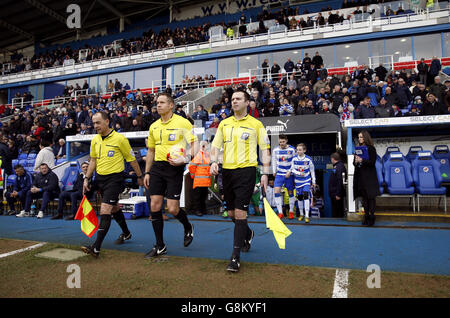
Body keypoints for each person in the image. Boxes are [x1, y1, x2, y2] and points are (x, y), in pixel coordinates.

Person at [210, 90, 271, 273]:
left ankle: (235, 257)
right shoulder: (224, 123)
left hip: (247, 172)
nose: (234, 101)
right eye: (232, 99)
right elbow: (215, 146)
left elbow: (265, 150)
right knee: (230, 214)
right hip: (227, 172)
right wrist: (213, 161)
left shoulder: (256, 124)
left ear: (247, 102)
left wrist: (266, 173)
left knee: (240, 213)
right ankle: (248, 233)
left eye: (238, 99)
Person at [81, 111, 144, 258]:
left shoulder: (120, 139)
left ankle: (96, 248)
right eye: (93, 123)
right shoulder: (95, 140)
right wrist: (87, 178)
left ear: (107, 121)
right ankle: (127, 233)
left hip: (115, 179)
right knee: (114, 207)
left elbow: (131, 159)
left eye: (98, 122)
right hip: (100, 178)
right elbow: (93, 161)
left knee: (105, 209)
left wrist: (140, 176)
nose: (95, 126)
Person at [143, 92, 198, 258]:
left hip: (174, 168)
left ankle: (187, 226)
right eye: (157, 103)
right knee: (154, 206)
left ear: (171, 105)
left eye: (161, 102)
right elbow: (151, 151)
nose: (158, 105)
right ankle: (160, 246)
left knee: (173, 208)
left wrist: (186, 158)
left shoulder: (183, 123)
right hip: (157, 168)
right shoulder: (153, 126)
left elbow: (195, 144)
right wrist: (147, 172)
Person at [353, 130, 380, 227]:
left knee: (370, 198)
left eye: (361, 137)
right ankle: (366, 216)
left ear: (365, 137)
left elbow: (372, 162)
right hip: (361, 177)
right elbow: (354, 163)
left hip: (370, 178)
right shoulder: (358, 149)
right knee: (364, 198)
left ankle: (372, 217)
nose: (360, 139)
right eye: (359, 137)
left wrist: (362, 160)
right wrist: (356, 161)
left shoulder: (371, 148)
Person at [285, 143, 316, 223]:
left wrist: (314, 181)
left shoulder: (308, 159)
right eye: (297, 150)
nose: (298, 151)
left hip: (306, 180)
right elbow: (292, 169)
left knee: (306, 195)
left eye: (300, 150)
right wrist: (298, 173)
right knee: (299, 198)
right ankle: (301, 214)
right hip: (298, 181)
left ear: (304, 150)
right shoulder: (294, 159)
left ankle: (306, 215)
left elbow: (312, 170)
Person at [271, 135, 296, 219]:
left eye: (283, 142)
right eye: (280, 142)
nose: (281, 143)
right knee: (276, 191)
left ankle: (291, 211)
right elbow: (274, 161)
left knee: (290, 193)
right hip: (279, 174)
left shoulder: (292, 149)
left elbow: (295, 162)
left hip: (289, 174)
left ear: (286, 141)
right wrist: (274, 171)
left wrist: (290, 171)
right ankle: (280, 212)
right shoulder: (275, 150)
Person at [188, 141, 211, 217]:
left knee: (201, 197)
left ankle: (201, 210)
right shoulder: (200, 155)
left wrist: (193, 175)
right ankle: (198, 210)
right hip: (200, 181)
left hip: (203, 181)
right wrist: (193, 175)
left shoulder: (206, 155)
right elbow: (191, 166)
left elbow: (191, 166)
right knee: (199, 197)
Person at [329, 152, 346, 218]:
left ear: (333, 159)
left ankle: (338, 226)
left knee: (337, 212)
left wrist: (338, 194)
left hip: (336, 194)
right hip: (334, 193)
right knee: (335, 211)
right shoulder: (337, 166)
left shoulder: (339, 167)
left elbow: (340, 180)